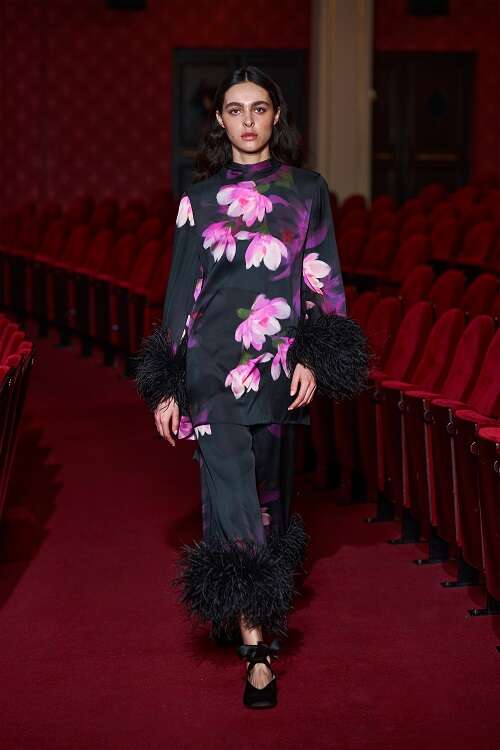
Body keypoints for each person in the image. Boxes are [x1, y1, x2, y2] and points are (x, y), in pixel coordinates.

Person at [135, 65, 369, 709]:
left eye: (258, 108)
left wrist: (315, 356)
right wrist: (168, 383)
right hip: (211, 370)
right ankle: (258, 651)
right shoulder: (198, 199)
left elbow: (322, 278)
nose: (247, 120)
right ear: (219, 120)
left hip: (277, 365)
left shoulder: (307, 190)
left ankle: (237, 602)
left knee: (267, 497)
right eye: (234, 109)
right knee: (235, 492)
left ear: (275, 116)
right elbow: (180, 295)